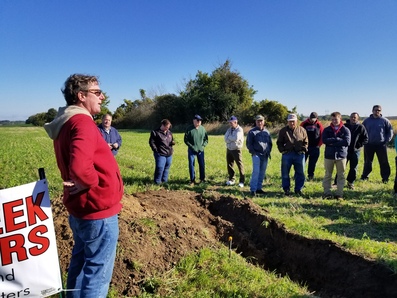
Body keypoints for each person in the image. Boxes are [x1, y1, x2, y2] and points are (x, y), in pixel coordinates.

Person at [44, 74, 123, 297]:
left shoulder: (67, 122)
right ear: (81, 96)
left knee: (79, 265)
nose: (102, 96)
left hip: (81, 208)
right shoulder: (83, 122)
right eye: (97, 92)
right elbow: (80, 168)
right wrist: (91, 182)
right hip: (97, 210)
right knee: (97, 273)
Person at [277, 113, 308, 196]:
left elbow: (306, 141)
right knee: (285, 173)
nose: (292, 123)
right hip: (287, 154)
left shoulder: (302, 130)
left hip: (299, 154)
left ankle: (298, 189)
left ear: (296, 121)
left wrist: (303, 149)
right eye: (290, 121)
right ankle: (286, 189)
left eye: (293, 121)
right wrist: (282, 151)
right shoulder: (283, 130)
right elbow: (279, 142)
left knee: (300, 173)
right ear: (288, 122)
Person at [360, 105, 394, 183]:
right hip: (369, 144)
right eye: (376, 110)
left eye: (379, 110)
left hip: (381, 145)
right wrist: (363, 141)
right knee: (367, 162)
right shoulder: (366, 121)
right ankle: (365, 176)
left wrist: (386, 140)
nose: (377, 112)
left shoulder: (385, 120)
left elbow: (390, 131)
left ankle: (385, 178)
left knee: (384, 162)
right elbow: (361, 131)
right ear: (372, 111)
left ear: (381, 111)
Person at [334, 113, 368, 189]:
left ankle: (350, 182)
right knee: (341, 167)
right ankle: (337, 182)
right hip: (344, 150)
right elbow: (339, 135)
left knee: (353, 168)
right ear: (350, 118)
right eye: (352, 117)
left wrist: (358, 145)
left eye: (355, 117)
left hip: (355, 151)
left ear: (357, 118)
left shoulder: (361, 127)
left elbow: (366, 139)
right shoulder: (344, 126)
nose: (353, 118)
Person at [322, 112, 351, 200]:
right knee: (328, 175)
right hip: (329, 155)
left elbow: (347, 142)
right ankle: (327, 193)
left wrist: (333, 142)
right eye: (333, 119)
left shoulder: (345, 130)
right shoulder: (327, 130)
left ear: (340, 119)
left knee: (341, 175)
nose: (334, 121)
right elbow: (324, 140)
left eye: (336, 119)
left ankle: (339, 194)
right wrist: (337, 139)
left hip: (341, 155)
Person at [246, 115, 272, 197]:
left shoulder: (267, 132)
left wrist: (268, 151)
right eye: (258, 121)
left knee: (262, 172)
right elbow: (249, 144)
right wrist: (253, 152)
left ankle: (259, 188)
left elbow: (270, 143)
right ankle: (253, 190)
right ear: (256, 122)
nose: (260, 122)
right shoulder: (252, 132)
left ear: (264, 122)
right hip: (256, 155)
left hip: (265, 155)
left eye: (261, 121)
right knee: (256, 172)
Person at [149, 119, 175, 184]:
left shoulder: (169, 133)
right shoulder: (155, 132)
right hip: (160, 153)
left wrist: (172, 143)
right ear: (162, 125)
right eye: (166, 127)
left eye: (168, 127)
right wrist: (155, 150)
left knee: (166, 168)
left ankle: (164, 181)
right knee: (160, 167)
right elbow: (151, 142)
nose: (167, 129)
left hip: (169, 153)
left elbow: (171, 140)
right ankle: (157, 182)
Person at [184, 114, 208, 184]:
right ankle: (192, 180)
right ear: (193, 121)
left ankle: (202, 179)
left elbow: (206, 140)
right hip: (192, 150)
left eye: (200, 120)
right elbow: (186, 140)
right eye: (197, 120)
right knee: (191, 164)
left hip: (200, 150)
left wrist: (202, 146)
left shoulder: (203, 129)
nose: (199, 122)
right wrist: (192, 147)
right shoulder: (189, 129)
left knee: (202, 164)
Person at [300, 112, 324, 180]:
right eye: (311, 118)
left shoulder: (319, 125)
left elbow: (322, 135)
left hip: (315, 147)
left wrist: (319, 145)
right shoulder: (304, 124)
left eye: (313, 119)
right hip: (305, 147)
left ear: (317, 118)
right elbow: (299, 134)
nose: (312, 120)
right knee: (302, 162)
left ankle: (310, 176)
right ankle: (300, 175)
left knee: (312, 163)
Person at [224, 116, 245, 187]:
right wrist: (230, 138)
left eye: (231, 122)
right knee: (230, 164)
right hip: (229, 149)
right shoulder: (229, 129)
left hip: (236, 149)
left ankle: (242, 181)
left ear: (236, 122)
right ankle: (231, 179)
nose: (230, 124)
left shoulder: (240, 129)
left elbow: (236, 138)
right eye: (229, 123)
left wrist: (229, 138)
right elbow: (225, 138)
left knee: (240, 165)